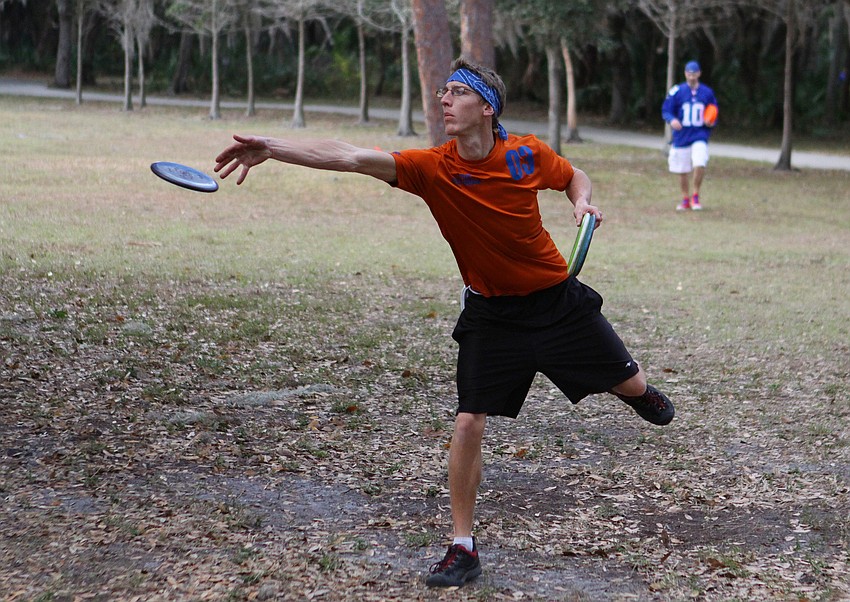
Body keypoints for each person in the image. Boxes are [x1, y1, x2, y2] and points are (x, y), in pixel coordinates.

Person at [214, 57, 675, 589]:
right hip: (490, 314)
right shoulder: (432, 167)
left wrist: (583, 203)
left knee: (630, 385)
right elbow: (350, 156)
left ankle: (637, 390)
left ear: (486, 107)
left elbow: (574, 176)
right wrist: (274, 147)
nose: (444, 100)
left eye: (456, 92)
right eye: (443, 92)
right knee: (467, 421)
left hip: (556, 303)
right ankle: (463, 547)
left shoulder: (525, 156)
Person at [662, 60, 718, 211]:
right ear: (685, 74)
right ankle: (685, 198)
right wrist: (672, 120)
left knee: (700, 162)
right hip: (681, 136)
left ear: (699, 74)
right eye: (689, 74)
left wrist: (711, 121)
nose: (691, 77)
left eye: (694, 74)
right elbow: (666, 110)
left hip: (699, 134)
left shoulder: (707, 92)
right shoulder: (677, 91)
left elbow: (714, 110)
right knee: (682, 169)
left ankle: (696, 195)